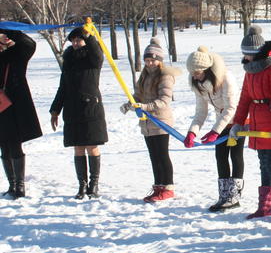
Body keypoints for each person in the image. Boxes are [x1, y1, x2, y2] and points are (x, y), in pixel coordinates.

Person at [230, 26, 271, 224]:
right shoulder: (250, 71)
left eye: (248, 54)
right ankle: (264, 206)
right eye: (244, 54)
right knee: (263, 165)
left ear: (257, 53)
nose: (245, 57)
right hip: (257, 123)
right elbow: (244, 99)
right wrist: (237, 123)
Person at [120, 37, 181, 202]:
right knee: (153, 156)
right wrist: (129, 104)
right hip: (147, 123)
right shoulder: (144, 76)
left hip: (161, 122)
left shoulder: (165, 76)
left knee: (162, 154)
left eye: (153, 60)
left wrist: (144, 107)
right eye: (147, 60)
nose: (149, 63)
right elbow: (138, 95)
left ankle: (167, 187)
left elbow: (164, 101)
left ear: (159, 60)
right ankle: (158, 186)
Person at [50, 27, 108, 199]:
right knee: (78, 147)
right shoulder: (68, 61)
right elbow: (63, 88)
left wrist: (89, 36)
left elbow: (98, 53)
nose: (76, 43)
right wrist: (55, 110)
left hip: (90, 108)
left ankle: (94, 184)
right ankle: (81, 185)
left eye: (79, 39)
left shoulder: (92, 59)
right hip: (72, 109)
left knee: (92, 146)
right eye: (73, 40)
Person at [183, 46, 243, 212]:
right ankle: (224, 196)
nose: (194, 75)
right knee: (220, 156)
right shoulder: (198, 84)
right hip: (221, 121)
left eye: (198, 71)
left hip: (238, 120)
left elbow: (231, 108)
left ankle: (234, 197)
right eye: (192, 72)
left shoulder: (226, 78)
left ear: (207, 69)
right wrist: (192, 131)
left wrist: (215, 131)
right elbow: (201, 112)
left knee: (235, 155)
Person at [0, 29, 42, 199]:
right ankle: (11, 184)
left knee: (15, 144)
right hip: (1, 108)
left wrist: (5, 30)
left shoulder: (16, 55)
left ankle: (20, 185)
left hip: (15, 107)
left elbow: (29, 43)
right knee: (3, 146)